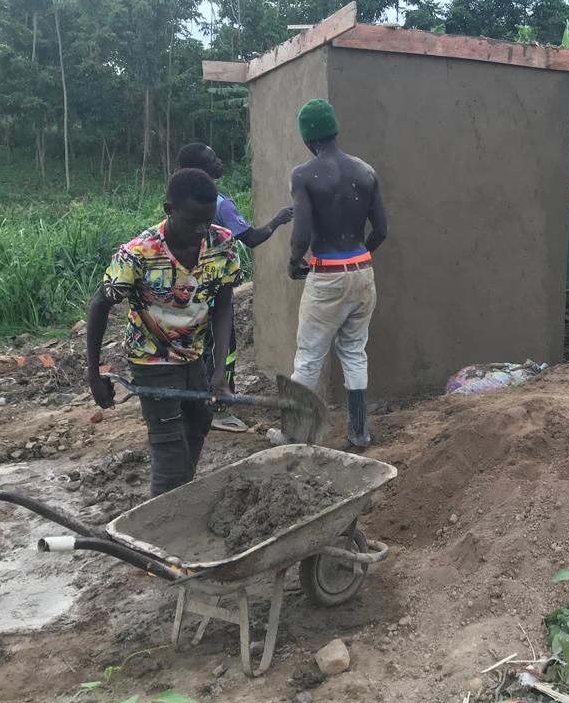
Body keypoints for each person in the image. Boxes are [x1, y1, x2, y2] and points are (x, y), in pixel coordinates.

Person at [86, 169, 243, 496]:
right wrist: (94, 374)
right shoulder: (139, 253)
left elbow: (224, 304)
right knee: (169, 445)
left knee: (199, 423)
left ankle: (177, 498)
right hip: (150, 359)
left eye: (207, 221)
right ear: (169, 209)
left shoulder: (221, 243)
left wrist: (219, 371)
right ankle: (166, 509)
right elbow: (99, 305)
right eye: (192, 222)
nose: (201, 231)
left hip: (193, 355)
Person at [287, 99, 387, 451]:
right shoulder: (365, 171)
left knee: (309, 356)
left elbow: (301, 236)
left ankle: (295, 434)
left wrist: (293, 262)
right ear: (335, 130)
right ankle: (359, 431)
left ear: (307, 138)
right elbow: (381, 230)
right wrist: (360, 256)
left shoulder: (303, 175)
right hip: (363, 274)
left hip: (327, 276)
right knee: (355, 351)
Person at [176, 142, 293, 432]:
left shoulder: (178, 201)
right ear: (200, 169)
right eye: (213, 158)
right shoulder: (220, 204)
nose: (219, 161)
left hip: (188, 290)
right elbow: (251, 238)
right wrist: (278, 220)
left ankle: (195, 403)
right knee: (222, 348)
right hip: (215, 289)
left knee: (196, 348)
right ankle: (218, 409)